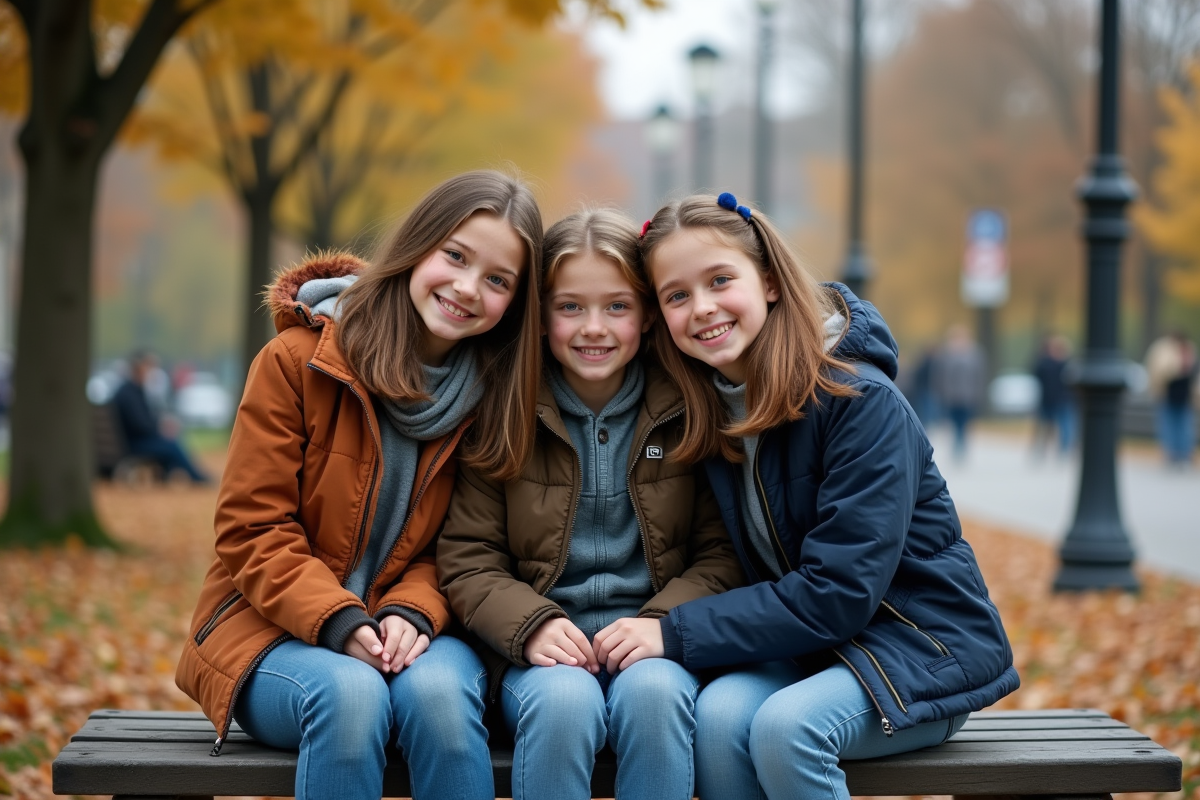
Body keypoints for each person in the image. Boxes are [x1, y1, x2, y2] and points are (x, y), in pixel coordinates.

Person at [601, 192, 1018, 800]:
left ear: (768, 282)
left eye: (721, 280)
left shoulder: (860, 403)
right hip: (811, 650)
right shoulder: (709, 408)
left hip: (917, 650)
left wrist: (673, 632)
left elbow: (840, 592)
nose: (703, 308)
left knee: (784, 730)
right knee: (717, 720)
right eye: (677, 295)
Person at [175, 171, 545, 800]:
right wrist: (341, 621)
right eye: (454, 256)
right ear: (417, 246)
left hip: (421, 636)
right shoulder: (299, 361)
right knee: (350, 695)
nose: (465, 287)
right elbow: (251, 529)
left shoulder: (497, 399)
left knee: (440, 701)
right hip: (272, 632)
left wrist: (414, 612)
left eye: (497, 279)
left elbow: (468, 548)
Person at [437, 208, 745, 800]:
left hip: (658, 644)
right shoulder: (505, 413)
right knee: (564, 702)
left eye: (617, 307)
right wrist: (530, 626)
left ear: (649, 315)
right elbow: (468, 557)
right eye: (570, 306)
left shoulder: (688, 409)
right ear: (542, 314)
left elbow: (722, 553)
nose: (594, 327)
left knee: (656, 695)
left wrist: (663, 625)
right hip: (537, 653)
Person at [111, 349, 209, 483]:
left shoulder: (130, 391)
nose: (150, 372)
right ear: (139, 368)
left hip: (131, 441)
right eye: (148, 367)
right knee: (171, 445)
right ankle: (197, 477)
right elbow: (140, 425)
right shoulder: (129, 394)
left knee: (169, 443)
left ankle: (171, 476)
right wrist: (160, 428)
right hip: (134, 444)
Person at [932, 324, 986, 461]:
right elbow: (939, 375)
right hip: (950, 396)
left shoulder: (975, 354)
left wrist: (978, 392)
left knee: (964, 423)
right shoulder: (946, 355)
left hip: (968, 396)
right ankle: (957, 447)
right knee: (954, 423)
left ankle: (961, 448)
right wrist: (940, 393)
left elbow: (979, 375)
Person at [1145, 330, 1197, 467]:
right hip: (1169, 392)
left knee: (1182, 424)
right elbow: (1160, 371)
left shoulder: (1188, 349)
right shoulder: (1166, 349)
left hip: (1183, 393)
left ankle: (1183, 454)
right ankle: (1173, 453)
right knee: (1171, 423)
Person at [1031, 334, 1073, 458]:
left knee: (1065, 426)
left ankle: (1064, 450)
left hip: (1063, 400)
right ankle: (1040, 450)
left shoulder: (1067, 363)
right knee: (1044, 427)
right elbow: (1036, 373)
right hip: (1047, 400)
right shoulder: (1044, 363)